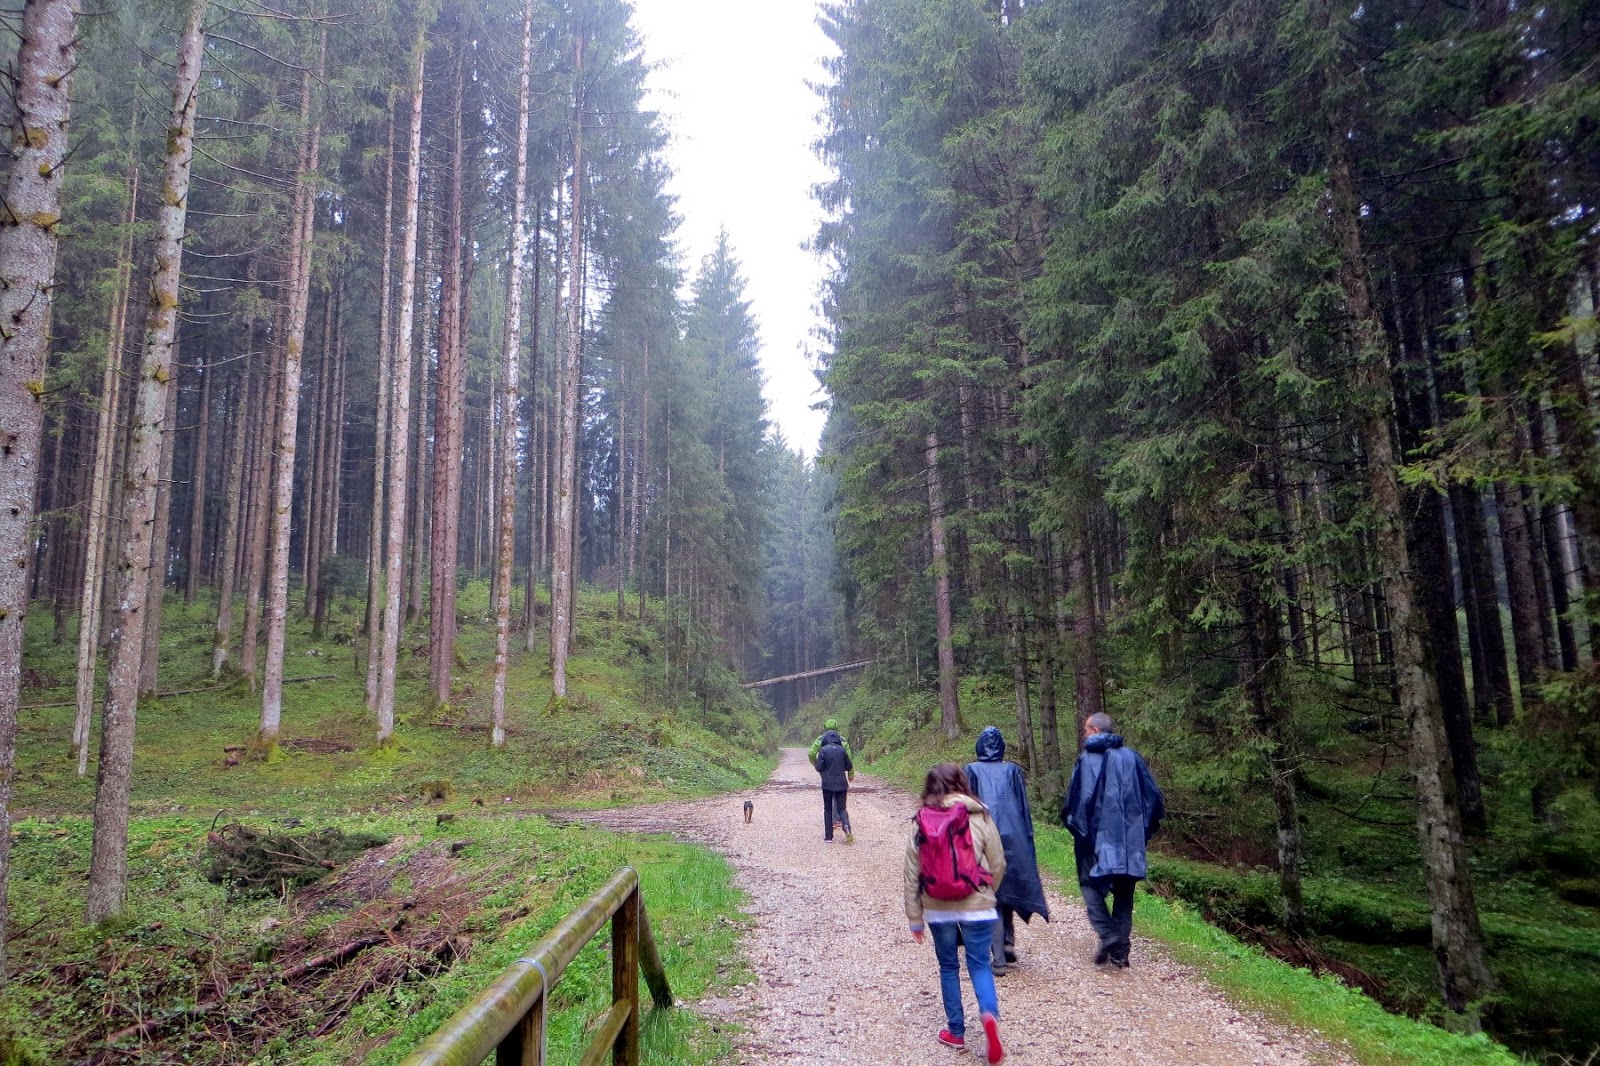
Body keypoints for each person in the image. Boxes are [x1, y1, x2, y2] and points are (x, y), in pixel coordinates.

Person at [905, 764, 1007, 1064]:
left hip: (937, 908)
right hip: (978, 904)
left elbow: (911, 873)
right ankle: (988, 1016)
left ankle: (956, 1032)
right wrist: (987, 892)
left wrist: (915, 918)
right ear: (962, 783)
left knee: (948, 966)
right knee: (979, 964)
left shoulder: (921, 820)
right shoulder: (980, 815)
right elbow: (998, 862)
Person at [1060, 711, 1165, 968]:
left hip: (1093, 839)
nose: (1084, 734)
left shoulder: (1087, 759)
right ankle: (1120, 953)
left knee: (1089, 884)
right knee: (1124, 893)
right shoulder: (1132, 758)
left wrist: (1078, 830)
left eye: (1086, 730)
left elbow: (1078, 801)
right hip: (1129, 839)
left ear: (1095, 731)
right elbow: (1153, 799)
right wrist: (1141, 832)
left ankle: (1108, 934)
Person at [964, 726, 1049, 974]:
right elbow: (1023, 808)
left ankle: (999, 957)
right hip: (1014, 835)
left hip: (984, 836)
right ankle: (1007, 942)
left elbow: (966, 806)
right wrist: (1027, 838)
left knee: (992, 893)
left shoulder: (971, 770)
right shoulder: (1012, 770)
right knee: (1007, 886)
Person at [813, 725, 854, 843]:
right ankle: (846, 826)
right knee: (842, 808)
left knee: (828, 809)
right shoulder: (842, 750)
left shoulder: (823, 750)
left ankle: (829, 836)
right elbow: (849, 766)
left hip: (827, 784)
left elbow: (819, 767)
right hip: (841, 783)